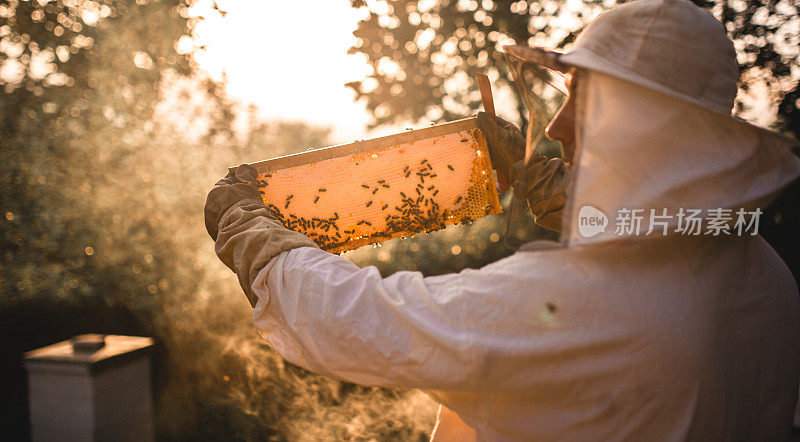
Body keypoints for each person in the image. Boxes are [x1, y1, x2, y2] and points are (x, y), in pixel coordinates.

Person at [204, 0, 800, 439]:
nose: (560, 124)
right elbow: (648, 230)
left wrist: (256, 240)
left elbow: (363, 321)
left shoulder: (595, 300)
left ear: (640, 124)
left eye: (584, 100)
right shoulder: (761, 270)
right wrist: (534, 178)